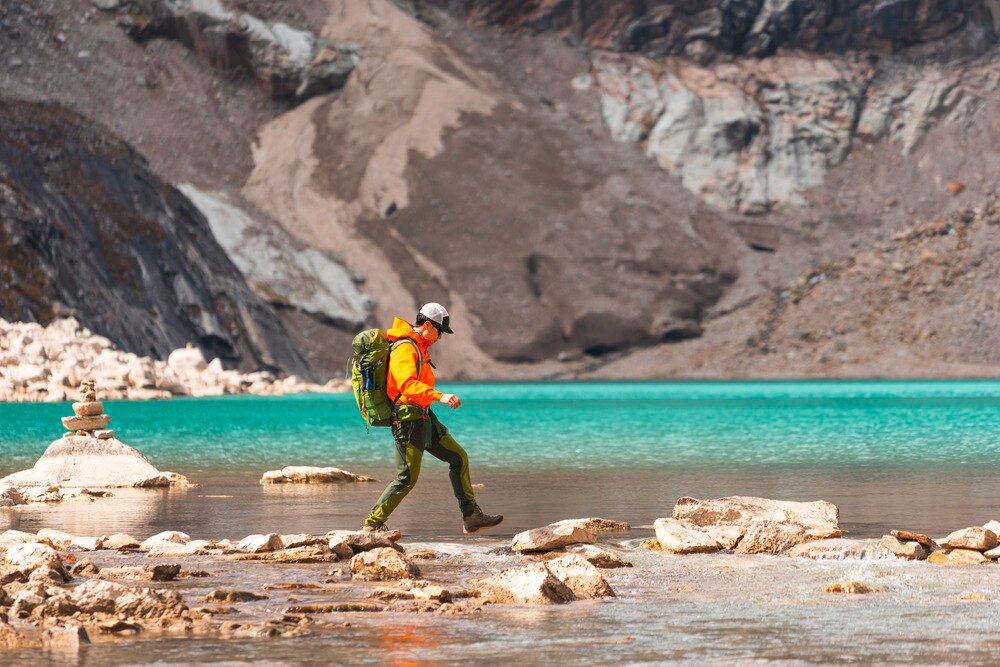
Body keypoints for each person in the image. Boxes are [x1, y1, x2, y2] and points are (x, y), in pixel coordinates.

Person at [362, 302, 503, 535]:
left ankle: (471, 516)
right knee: (406, 478)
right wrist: (441, 396)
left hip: (424, 417)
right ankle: (372, 524)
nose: (441, 337)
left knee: (459, 457)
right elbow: (407, 386)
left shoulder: (420, 346)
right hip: (408, 420)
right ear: (427, 325)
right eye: (440, 331)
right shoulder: (405, 348)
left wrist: (433, 401)